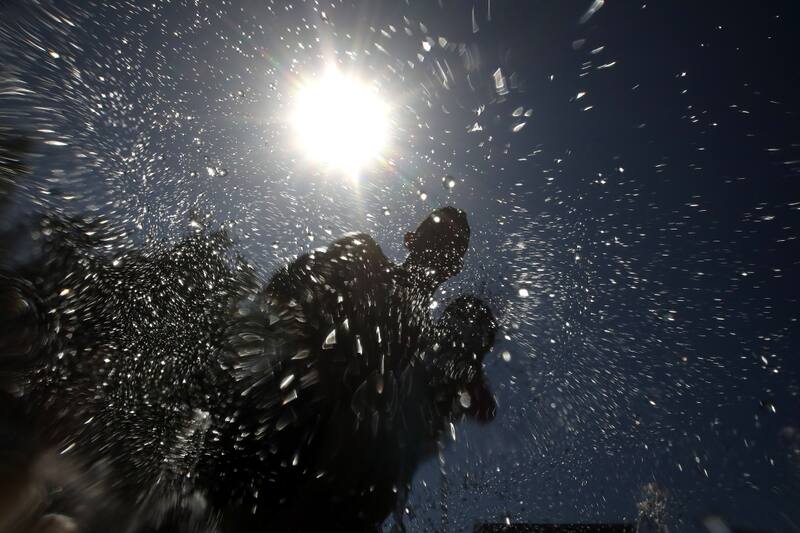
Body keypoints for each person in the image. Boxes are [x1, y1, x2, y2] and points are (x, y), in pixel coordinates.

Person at [201, 207, 497, 532]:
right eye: (437, 234)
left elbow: (482, 408)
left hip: (341, 472)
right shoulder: (363, 257)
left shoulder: (431, 343)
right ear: (411, 240)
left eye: (452, 244)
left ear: (453, 267)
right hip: (283, 425)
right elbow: (279, 290)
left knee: (374, 474)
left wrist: (470, 358)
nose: (441, 246)